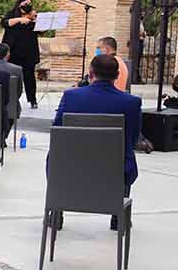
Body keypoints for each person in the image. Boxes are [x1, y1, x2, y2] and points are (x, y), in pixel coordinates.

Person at [53, 52, 142, 227]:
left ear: (91, 73)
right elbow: (132, 138)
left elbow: (57, 131)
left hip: (70, 166)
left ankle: (56, 213)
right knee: (126, 156)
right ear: (117, 75)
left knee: (55, 155)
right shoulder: (131, 102)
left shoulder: (71, 96)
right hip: (115, 168)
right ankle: (118, 217)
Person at [0, 0, 40, 108]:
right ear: (19, 4)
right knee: (12, 76)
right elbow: (4, 23)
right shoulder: (12, 14)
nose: (28, 5)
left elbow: (40, 31)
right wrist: (20, 19)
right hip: (13, 50)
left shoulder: (32, 15)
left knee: (30, 76)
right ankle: (10, 99)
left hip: (29, 50)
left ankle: (32, 99)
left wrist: (36, 20)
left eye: (29, 3)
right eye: (25, 3)